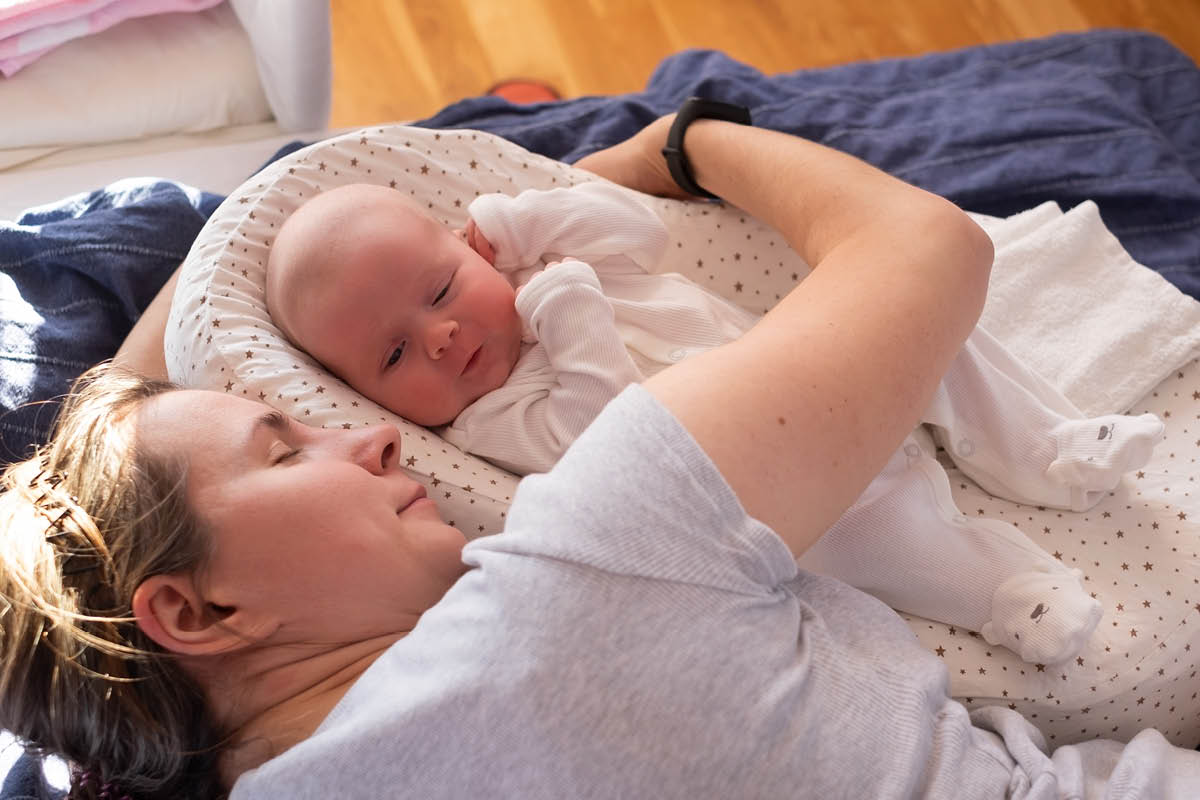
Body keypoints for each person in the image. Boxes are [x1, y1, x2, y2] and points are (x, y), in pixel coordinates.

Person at [3, 115, 1199, 800]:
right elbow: (925, 250)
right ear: (193, 609)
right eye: (285, 442)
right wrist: (682, 144)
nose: (364, 431)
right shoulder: (581, 574)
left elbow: (139, 370)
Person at [263, 175, 1163, 665]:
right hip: (803, 494)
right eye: (392, 356)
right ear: (375, 401)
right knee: (881, 545)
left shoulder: (547, 260)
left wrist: (525, 219)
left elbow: (644, 232)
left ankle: (1044, 449)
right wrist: (565, 308)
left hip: (812, 372)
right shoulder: (491, 418)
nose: (443, 335)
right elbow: (612, 433)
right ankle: (1005, 594)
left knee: (928, 330)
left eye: (441, 288)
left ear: (469, 248)